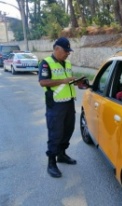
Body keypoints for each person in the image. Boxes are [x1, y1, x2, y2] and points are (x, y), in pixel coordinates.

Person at [38, 37, 78, 178]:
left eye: (68, 51)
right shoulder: (46, 63)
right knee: (55, 133)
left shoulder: (67, 63)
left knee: (68, 130)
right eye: (65, 51)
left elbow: (68, 82)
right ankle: (51, 162)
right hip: (55, 105)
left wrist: (77, 82)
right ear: (56, 49)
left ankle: (61, 154)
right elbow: (43, 82)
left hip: (68, 102)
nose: (67, 53)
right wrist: (64, 80)